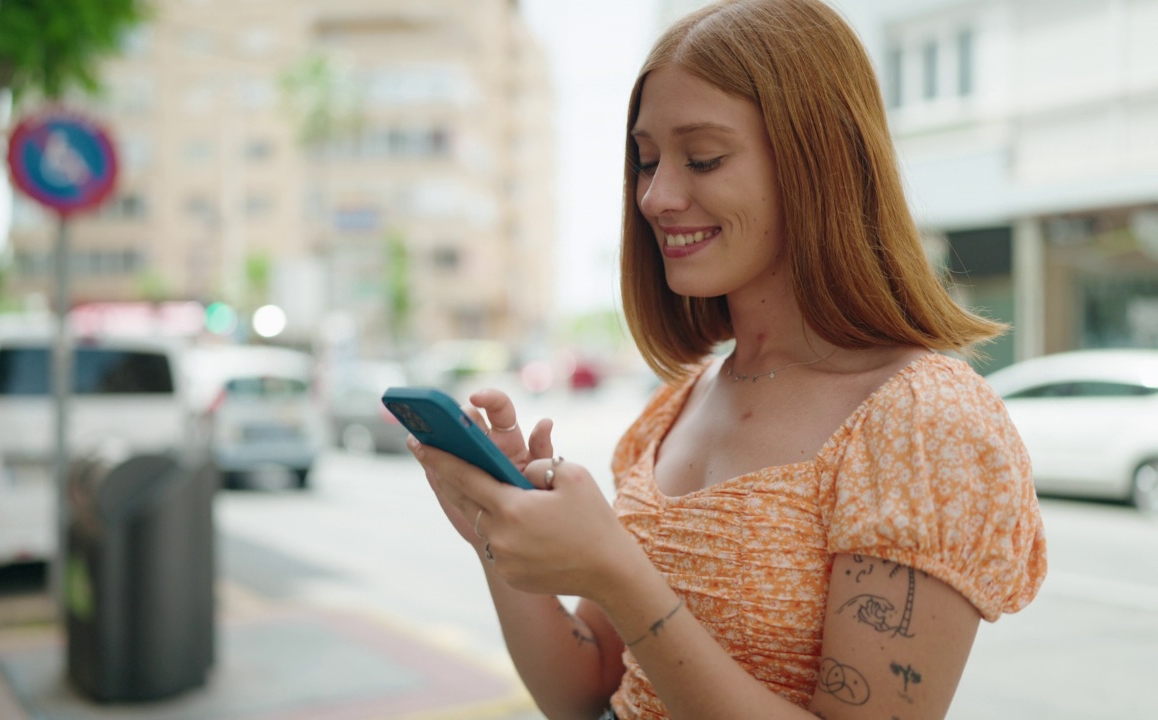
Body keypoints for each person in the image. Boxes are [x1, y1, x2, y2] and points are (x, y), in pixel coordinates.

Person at [407, 0, 1048, 718]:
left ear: (818, 162)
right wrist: (500, 532)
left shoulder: (924, 422)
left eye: (703, 158)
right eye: (646, 160)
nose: (656, 196)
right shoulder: (677, 400)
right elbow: (582, 692)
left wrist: (621, 576)